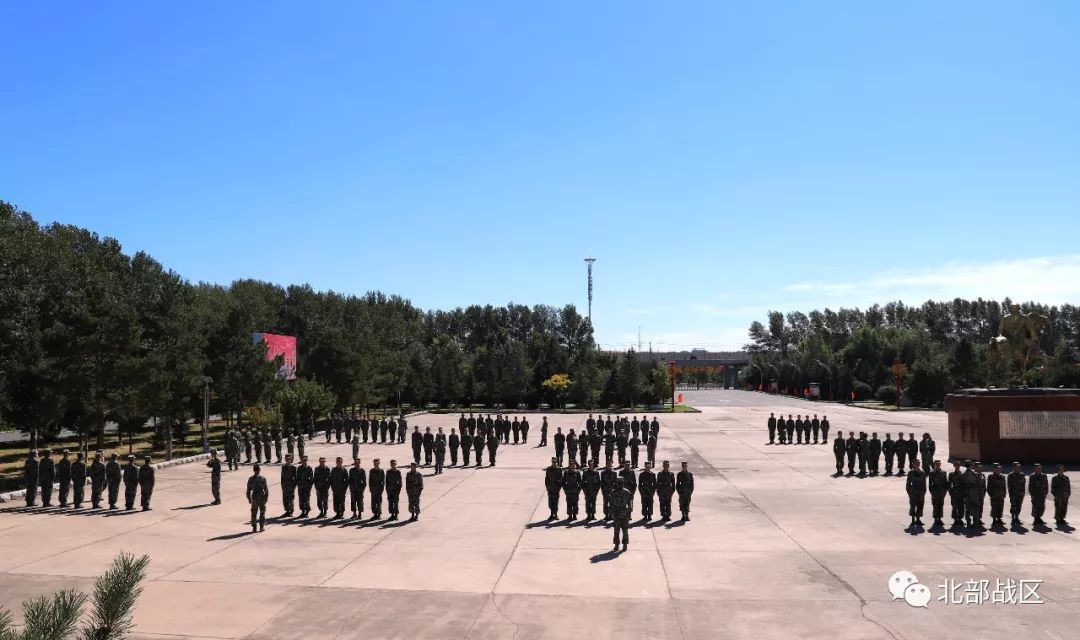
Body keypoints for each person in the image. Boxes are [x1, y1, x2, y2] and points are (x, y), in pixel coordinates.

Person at [610, 478, 632, 552]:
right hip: (616, 513)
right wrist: (612, 512)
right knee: (616, 531)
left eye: (621, 483)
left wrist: (629, 514)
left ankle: (625, 545)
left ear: (623, 483)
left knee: (625, 531)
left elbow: (630, 504)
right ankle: (616, 545)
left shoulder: (627, 492)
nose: (620, 484)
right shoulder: (613, 492)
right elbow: (611, 504)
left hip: (624, 513)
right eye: (618, 483)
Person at [246, 464, 269, 532]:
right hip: (258, 498)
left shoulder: (252, 479)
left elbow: (248, 490)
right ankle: (258, 527)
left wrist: (249, 499)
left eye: (257, 469)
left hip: (256, 497)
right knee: (259, 512)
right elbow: (266, 490)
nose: (257, 471)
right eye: (256, 470)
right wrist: (266, 497)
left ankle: (257, 527)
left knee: (256, 512)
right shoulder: (262, 478)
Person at [906, 458, 926, 527]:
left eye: (919, 463)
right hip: (913, 492)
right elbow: (908, 484)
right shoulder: (911, 473)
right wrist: (909, 492)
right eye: (916, 463)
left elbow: (924, 483)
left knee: (920, 506)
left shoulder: (922, 473)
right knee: (912, 506)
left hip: (920, 492)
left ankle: (918, 519)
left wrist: (924, 491)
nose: (918, 464)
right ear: (913, 464)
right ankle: (913, 519)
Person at [928, 460, 949, 526]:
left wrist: (945, 492)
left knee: (941, 505)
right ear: (934, 464)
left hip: (941, 491)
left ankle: (939, 518)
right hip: (935, 491)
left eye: (939, 464)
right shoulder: (932, 473)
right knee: (935, 505)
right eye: (936, 464)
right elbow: (930, 484)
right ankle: (935, 519)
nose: (938, 465)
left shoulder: (943, 472)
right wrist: (932, 493)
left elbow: (946, 483)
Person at [948, 461, 966, 528]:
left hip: (961, 493)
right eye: (956, 465)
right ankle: (955, 520)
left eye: (959, 465)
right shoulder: (951, 474)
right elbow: (949, 484)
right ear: (954, 466)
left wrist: (964, 493)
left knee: (961, 507)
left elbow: (964, 484)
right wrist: (951, 492)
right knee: (955, 507)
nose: (958, 466)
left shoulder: (962, 474)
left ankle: (960, 519)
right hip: (954, 493)